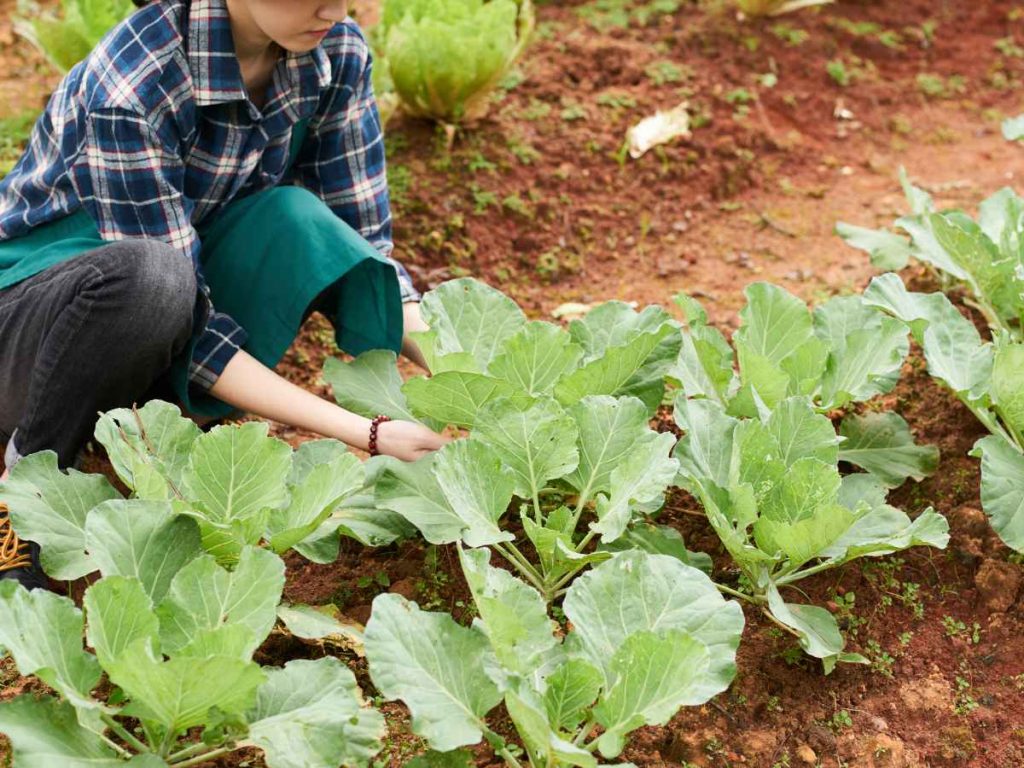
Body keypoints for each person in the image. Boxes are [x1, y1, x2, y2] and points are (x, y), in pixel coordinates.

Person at [0, 0, 450, 589]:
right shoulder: (134, 81)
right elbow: (183, 314)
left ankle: (143, 425)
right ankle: (25, 491)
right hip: (29, 318)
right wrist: (365, 431)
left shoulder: (335, 51)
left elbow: (365, 240)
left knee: (295, 219)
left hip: (159, 296)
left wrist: (466, 374)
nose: (334, 9)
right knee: (156, 281)